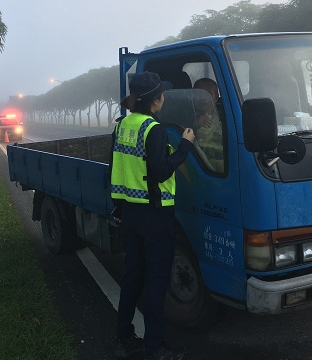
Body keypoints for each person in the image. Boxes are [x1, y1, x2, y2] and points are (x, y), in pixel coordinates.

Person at [111, 71, 195, 360]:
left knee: (133, 277)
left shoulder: (122, 125)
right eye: (162, 95)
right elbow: (160, 172)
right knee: (157, 280)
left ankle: (124, 337)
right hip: (155, 215)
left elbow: (118, 166)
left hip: (130, 214)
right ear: (155, 101)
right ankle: (155, 346)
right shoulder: (153, 130)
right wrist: (184, 146)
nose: (163, 99)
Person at [192, 78, 224, 173]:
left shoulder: (225, 116)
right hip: (198, 164)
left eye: (207, 93)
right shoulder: (186, 113)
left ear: (216, 97)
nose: (202, 98)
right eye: (198, 93)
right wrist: (195, 124)